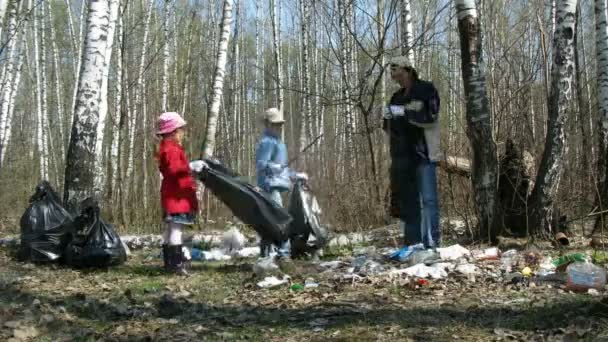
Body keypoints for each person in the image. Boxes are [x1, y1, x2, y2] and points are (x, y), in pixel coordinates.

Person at [384, 55, 441, 249]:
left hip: (423, 153)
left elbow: (430, 116)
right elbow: (389, 128)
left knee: (428, 200)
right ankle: (412, 244)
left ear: (407, 70)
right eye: (391, 71)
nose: (393, 75)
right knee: (409, 202)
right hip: (402, 157)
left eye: (396, 69)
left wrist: (405, 113)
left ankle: (431, 244)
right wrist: (388, 117)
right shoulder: (396, 97)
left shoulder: (426, 89)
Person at [156, 111, 207, 275]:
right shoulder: (171, 149)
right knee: (176, 230)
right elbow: (173, 170)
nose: (183, 133)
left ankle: (169, 263)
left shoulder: (168, 148)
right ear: (173, 132)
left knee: (170, 229)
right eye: (181, 130)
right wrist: (189, 167)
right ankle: (176, 265)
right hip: (176, 196)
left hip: (172, 195)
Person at [255, 107, 306, 258]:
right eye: (276, 124)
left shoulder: (278, 142)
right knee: (279, 221)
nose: (279, 127)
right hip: (268, 188)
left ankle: (266, 254)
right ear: (269, 124)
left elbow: (283, 169)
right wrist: (274, 166)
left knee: (270, 222)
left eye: (280, 124)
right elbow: (260, 164)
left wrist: (296, 175)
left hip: (275, 187)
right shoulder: (267, 142)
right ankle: (283, 254)